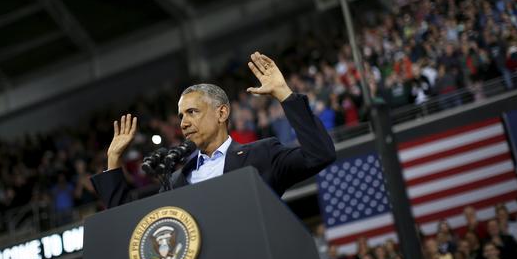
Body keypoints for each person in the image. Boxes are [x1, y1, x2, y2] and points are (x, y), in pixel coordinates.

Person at [91, 52, 337, 208]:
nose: (183, 123)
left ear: (222, 113)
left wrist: (285, 95)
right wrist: (113, 159)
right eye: (180, 116)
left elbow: (320, 155)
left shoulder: (262, 154)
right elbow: (128, 220)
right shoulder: (175, 180)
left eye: (192, 112)